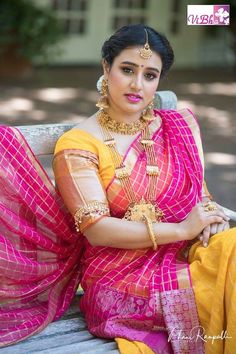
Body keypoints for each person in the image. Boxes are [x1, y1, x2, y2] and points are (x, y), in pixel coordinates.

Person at [0, 24, 235, 354]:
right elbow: (97, 231)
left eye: (150, 75)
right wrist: (182, 228)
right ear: (106, 67)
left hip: (185, 252)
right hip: (119, 279)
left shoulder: (178, 126)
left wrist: (212, 221)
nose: (137, 84)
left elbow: (199, 196)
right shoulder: (79, 145)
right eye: (127, 70)